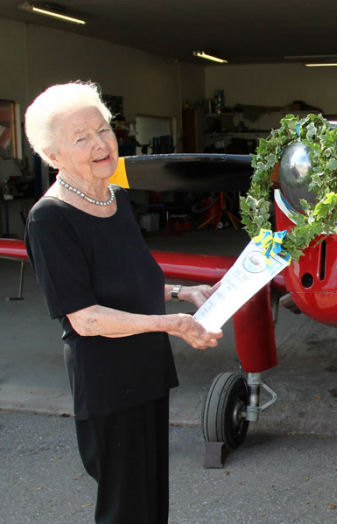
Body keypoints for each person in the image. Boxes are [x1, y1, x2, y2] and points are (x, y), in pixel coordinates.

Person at [24, 81, 223, 523]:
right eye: (81, 138)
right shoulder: (50, 219)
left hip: (147, 370)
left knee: (151, 499)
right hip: (108, 383)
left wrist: (180, 292)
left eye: (103, 130)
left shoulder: (114, 196)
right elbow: (86, 318)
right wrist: (170, 324)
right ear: (52, 156)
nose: (100, 144)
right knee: (123, 508)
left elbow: (129, 277)